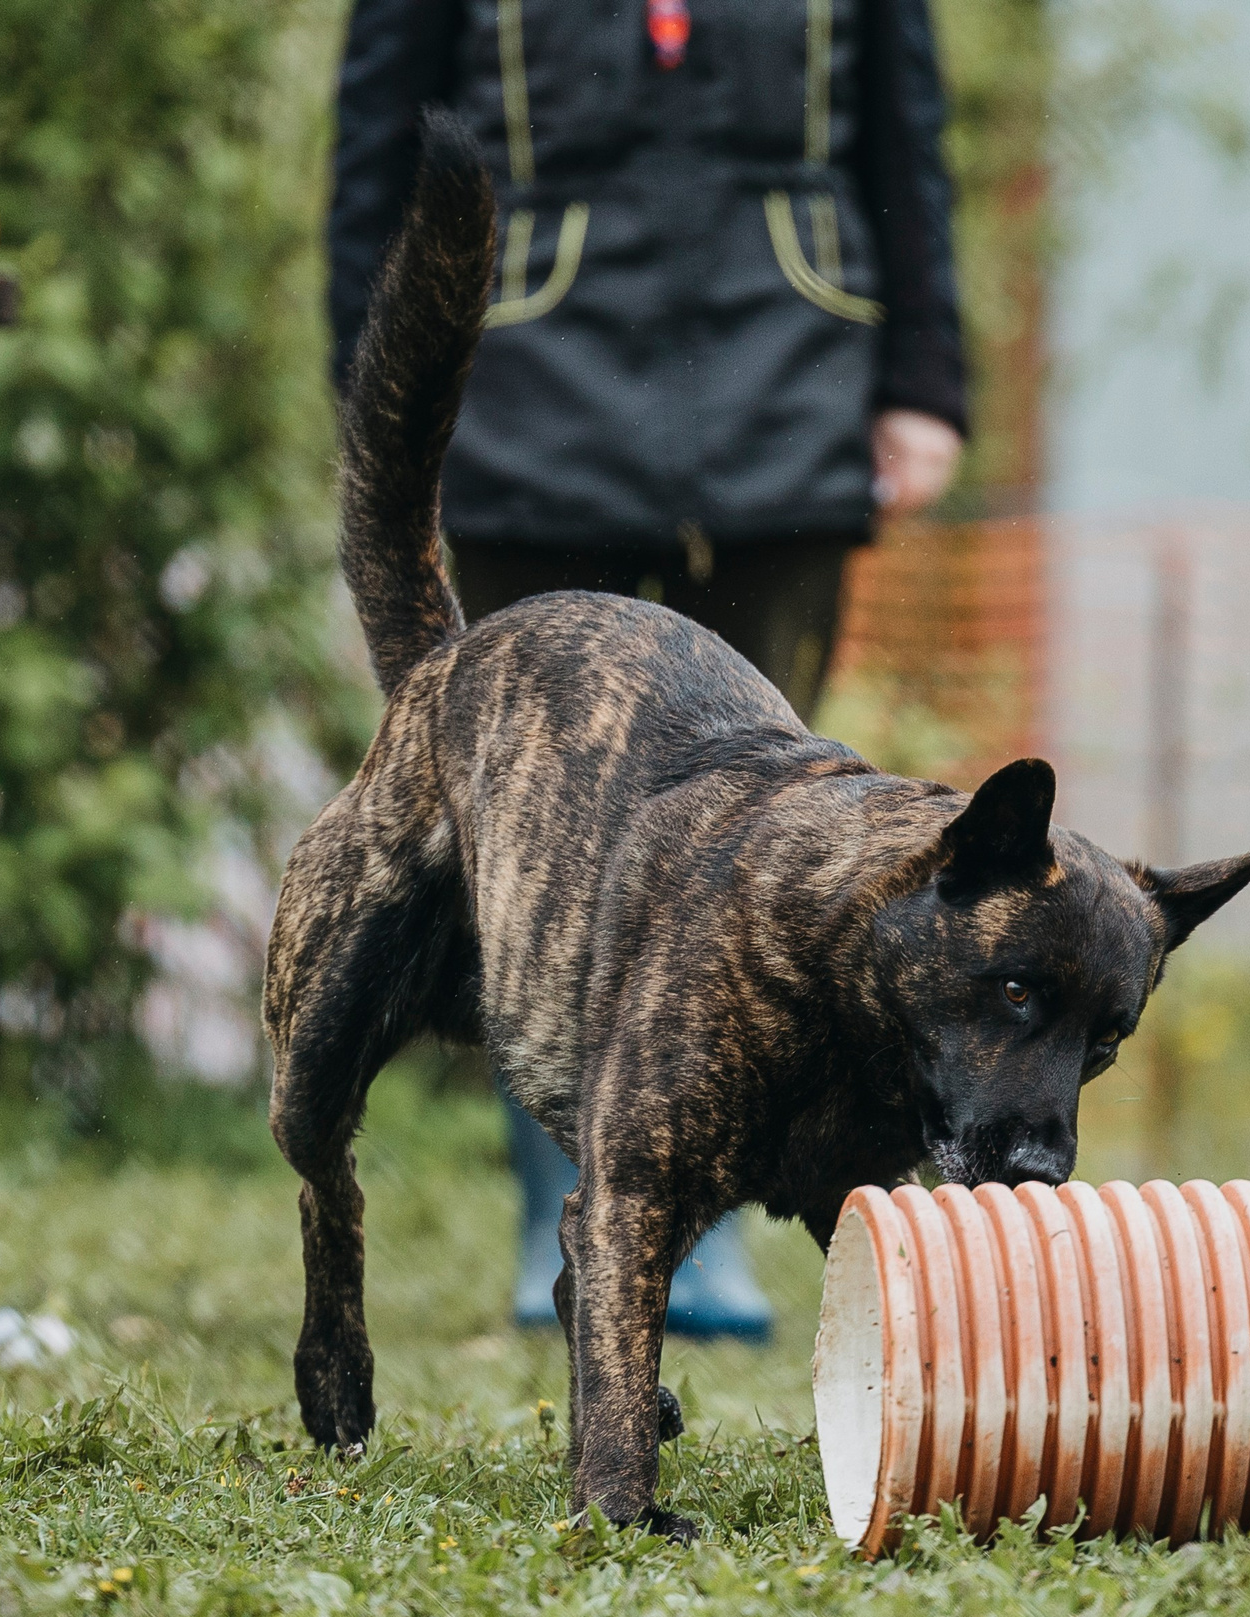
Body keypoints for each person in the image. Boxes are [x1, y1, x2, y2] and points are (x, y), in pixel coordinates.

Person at [326, 0, 967, 1337]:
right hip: (528, 392)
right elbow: (380, 141)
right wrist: (380, 399)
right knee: (531, 839)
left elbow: (908, 140)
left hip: (788, 377)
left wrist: (924, 384)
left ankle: (704, 1230)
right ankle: (559, 1217)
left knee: (774, 841)